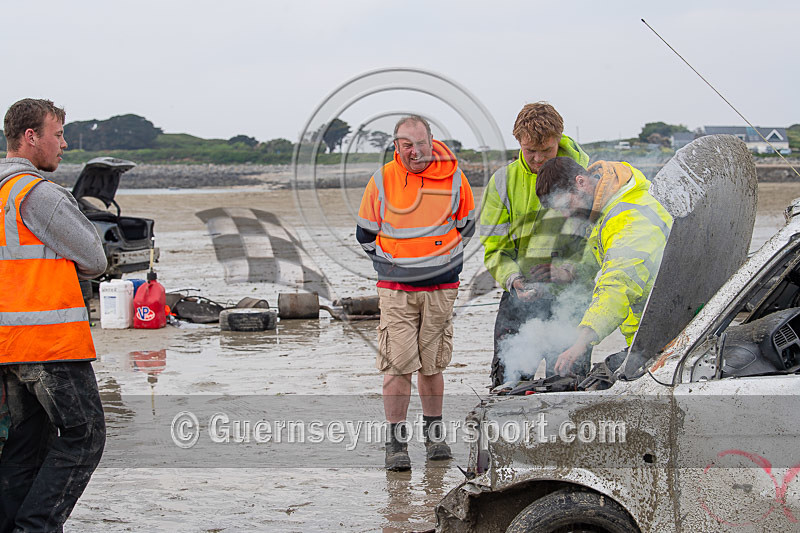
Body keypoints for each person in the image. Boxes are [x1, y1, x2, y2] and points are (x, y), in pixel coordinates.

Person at [0, 98, 107, 532]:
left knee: (26, 446)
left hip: (10, 346)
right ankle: (37, 526)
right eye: (58, 134)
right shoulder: (38, 193)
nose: (64, 144)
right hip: (50, 345)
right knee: (85, 438)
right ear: (31, 138)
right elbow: (95, 258)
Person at [357, 115, 475, 471]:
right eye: (406, 144)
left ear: (431, 141)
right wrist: (394, 267)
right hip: (396, 290)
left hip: (442, 289)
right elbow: (365, 236)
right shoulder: (381, 180)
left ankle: (435, 437)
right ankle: (396, 445)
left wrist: (443, 264)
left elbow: (467, 227)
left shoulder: (454, 177)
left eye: (420, 143)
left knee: (433, 364)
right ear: (396, 146)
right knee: (397, 364)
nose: (414, 150)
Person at [479, 102, 591, 387]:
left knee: (568, 386)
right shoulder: (502, 181)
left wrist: (569, 270)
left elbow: (596, 242)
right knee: (508, 383)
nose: (538, 159)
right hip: (520, 294)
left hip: (571, 297)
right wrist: (513, 279)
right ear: (518, 142)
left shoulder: (585, 176)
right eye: (530, 151)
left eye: (547, 151)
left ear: (559, 139)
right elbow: (494, 245)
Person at [534, 157, 673, 375]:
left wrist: (582, 342)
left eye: (565, 205)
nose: (566, 215)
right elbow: (599, 253)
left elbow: (618, 283)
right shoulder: (609, 207)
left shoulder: (630, 216)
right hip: (647, 335)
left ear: (580, 182)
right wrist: (568, 273)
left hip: (667, 333)